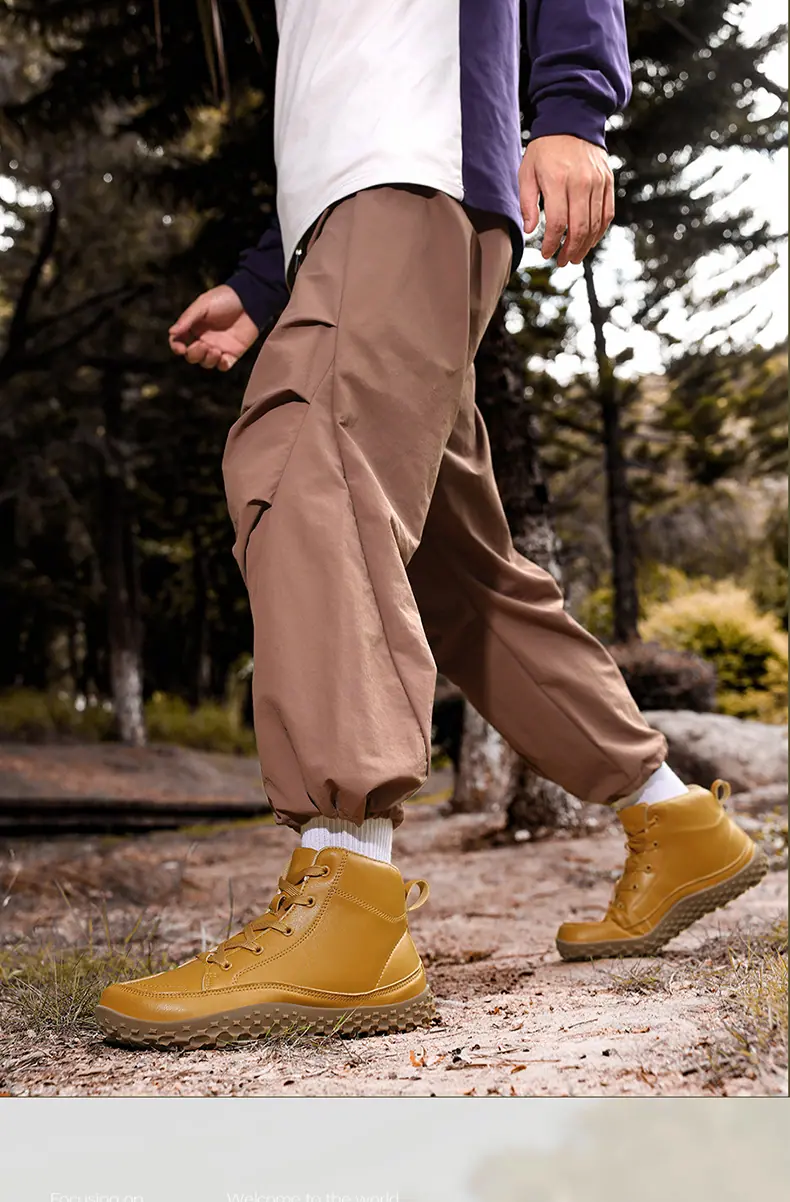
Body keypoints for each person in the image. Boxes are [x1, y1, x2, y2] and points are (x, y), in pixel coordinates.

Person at [96, 0, 768, 1050]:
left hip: (408, 183)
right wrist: (264, 280)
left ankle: (348, 890)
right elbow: (337, 80)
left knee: (300, 467)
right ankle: (671, 814)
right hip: (359, 213)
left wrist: (572, 110)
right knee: (459, 574)